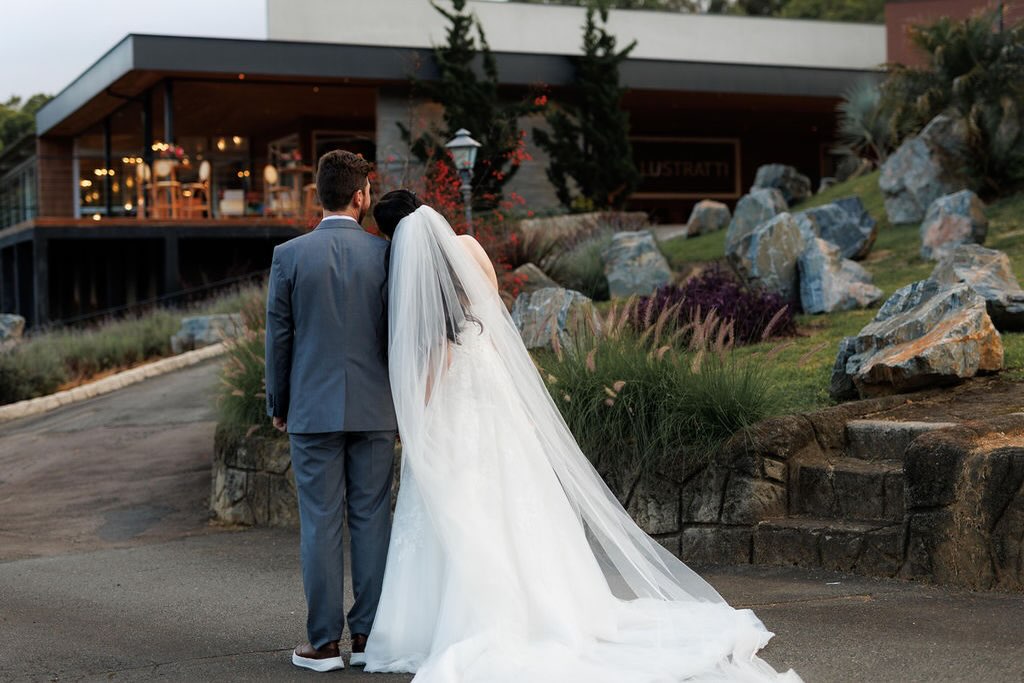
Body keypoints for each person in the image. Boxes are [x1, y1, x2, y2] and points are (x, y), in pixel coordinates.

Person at [362, 189, 803, 682]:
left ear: (394, 235)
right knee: (514, 497)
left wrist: (414, 417)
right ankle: (555, 601)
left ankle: (480, 617)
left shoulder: (414, 271)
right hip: (494, 394)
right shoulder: (469, 247)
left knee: (464, 506)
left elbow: (439, 354)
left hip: (454, 404)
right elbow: (497, 317)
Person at [265, 151, 397, 672]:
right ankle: (368, 638)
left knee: (320, 524)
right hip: (375, 407)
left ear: (318, 196)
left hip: (312, 408)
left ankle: (323, 645)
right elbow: (398, 334)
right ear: (361, 196)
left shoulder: (288, 256)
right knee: (371, 521)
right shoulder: (385, 255)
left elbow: (280, 337)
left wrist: (280, 404)